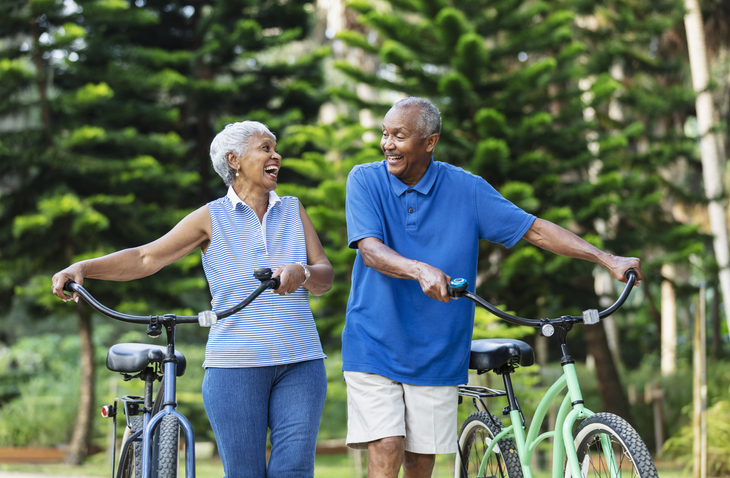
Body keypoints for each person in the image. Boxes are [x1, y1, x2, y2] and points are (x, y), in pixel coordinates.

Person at [342, 97, 644, 478]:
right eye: (384, 134)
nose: (387, 144)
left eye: (398, 136)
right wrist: (419, 270)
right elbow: (370, 250)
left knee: (420, 464)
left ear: (430, 142)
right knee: (387, 450)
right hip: (375, 342)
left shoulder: (466, 189)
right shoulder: (365, 179)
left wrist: (607, 259)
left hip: (438, 349)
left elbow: (533, 229)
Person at [52, 121, 334, 478]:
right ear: (234, 159)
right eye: (265, 148)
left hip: (301, 362)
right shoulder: (211, 218)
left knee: (293, 470)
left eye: (275, 149)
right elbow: (145, 258)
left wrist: (304, 272)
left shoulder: (293, 209)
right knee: (245, 473)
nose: (276, 155)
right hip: (235, 367)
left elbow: (324, 274)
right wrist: (84, 267)